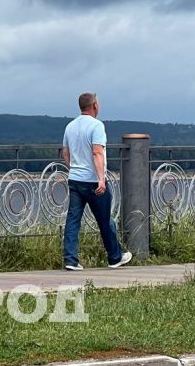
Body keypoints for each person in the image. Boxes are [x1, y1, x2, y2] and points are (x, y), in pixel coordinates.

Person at [61, 92, 131, 270]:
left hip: (75, 179)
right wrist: (101, 179)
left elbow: (65, 153)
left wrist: (73, 168)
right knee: (104, 219)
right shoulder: (97, 126)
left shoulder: (70, 126)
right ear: (94, 106)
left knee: (73, 219)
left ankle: (71, 259)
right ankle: (114, 257)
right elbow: (97, 152)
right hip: (92, 181)